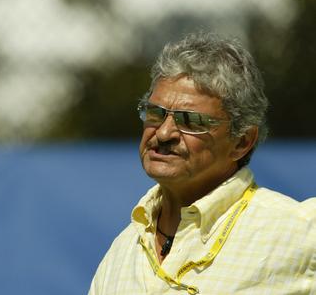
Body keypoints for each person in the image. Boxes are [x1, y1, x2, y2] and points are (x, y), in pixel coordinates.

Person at [87, 33, 316, 294]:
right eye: (155, 113)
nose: (163, 133)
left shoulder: (296, 231)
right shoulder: (123, 251)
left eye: (190, 121)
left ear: (241, 141)